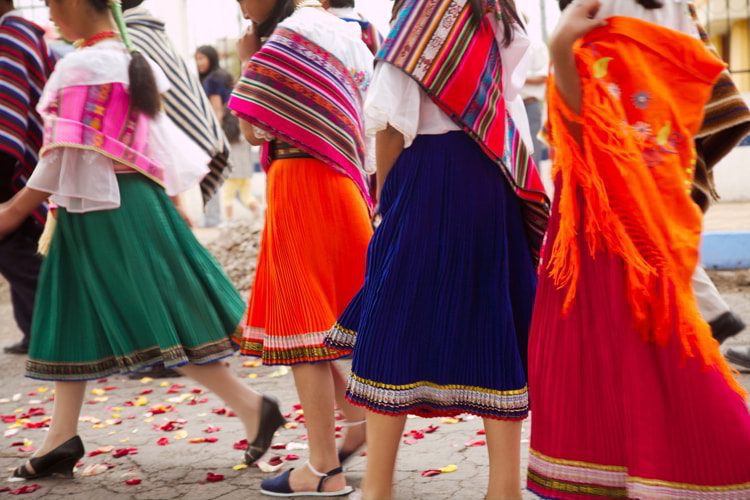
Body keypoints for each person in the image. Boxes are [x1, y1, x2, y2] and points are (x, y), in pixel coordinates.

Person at [0, 0, 284, 481]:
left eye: (51, 4)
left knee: (150, 322)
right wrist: (171, 201)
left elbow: (60, 151)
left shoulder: (83, 65)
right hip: (116, 203)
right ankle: (60, 436)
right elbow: (158, 143)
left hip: (105, 212)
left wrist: (14, 208)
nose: (50, 14)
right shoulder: (127, 57)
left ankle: (254, 407)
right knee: (74, 310)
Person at [324, 0, 550, 498]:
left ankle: (378, 487)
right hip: (492, 176)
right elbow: (509, 106)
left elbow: (389, 120)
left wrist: (384, 199)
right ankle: (503, 488)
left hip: (427, 174)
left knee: (393, 322)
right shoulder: (499, 11)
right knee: (493, 318)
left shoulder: (418, 15)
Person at [527, 0, 750, 497]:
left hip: (604, 207)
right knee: (664, 350)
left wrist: (561, 43)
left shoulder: (597, 6)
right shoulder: (674, 7)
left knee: (607, 352)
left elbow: (590, 119)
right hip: (655, 189)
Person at [229, 0, 374, 496]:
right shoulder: (343, 30)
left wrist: (247, 56)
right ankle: (357, 423)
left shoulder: (285, 36)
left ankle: (323, 470)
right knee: (323, 326)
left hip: (299, 182)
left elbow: (252, 130)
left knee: (303, 332)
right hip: (345, 184)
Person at [122, 0, 237, 378]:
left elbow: (153, 121)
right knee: (166, 262)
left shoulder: (131, 40)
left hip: (149, 169)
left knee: (159, 264)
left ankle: (176, 348)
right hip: (155, 167)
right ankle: (184, 345)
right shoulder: (153, 35)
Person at [122, 0, 233, 231]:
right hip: (152, 162)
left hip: (144, 164)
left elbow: (157, 117)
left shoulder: (129, 39)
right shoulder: (151, 32)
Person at [0, 0, 55, 355]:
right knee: (18, 250)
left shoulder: (9, 38)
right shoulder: (23, 34)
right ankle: (34, 330)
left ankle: (51, 333)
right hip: (29, 161)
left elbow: (9, 113)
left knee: (14, 249)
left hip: (16, 165)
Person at [519, 26, 549, 169]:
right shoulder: (503, 42)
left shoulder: (536, 45)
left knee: (533, 152)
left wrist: (516, 78)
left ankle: (536, 189)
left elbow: (544, 76)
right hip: (510, 106)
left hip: (530, 105)